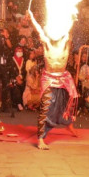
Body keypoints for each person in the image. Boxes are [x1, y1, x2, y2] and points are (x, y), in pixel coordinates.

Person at [28, 11, 79, 150]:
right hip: (49, 78)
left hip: (63, 77)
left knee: (65, 103)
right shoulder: (47, 45)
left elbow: (70, 33)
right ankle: (41, 139)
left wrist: (73, 20)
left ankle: (69, 125)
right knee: (46, 107)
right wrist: (32, 17)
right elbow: (39, 30)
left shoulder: (65, 44)